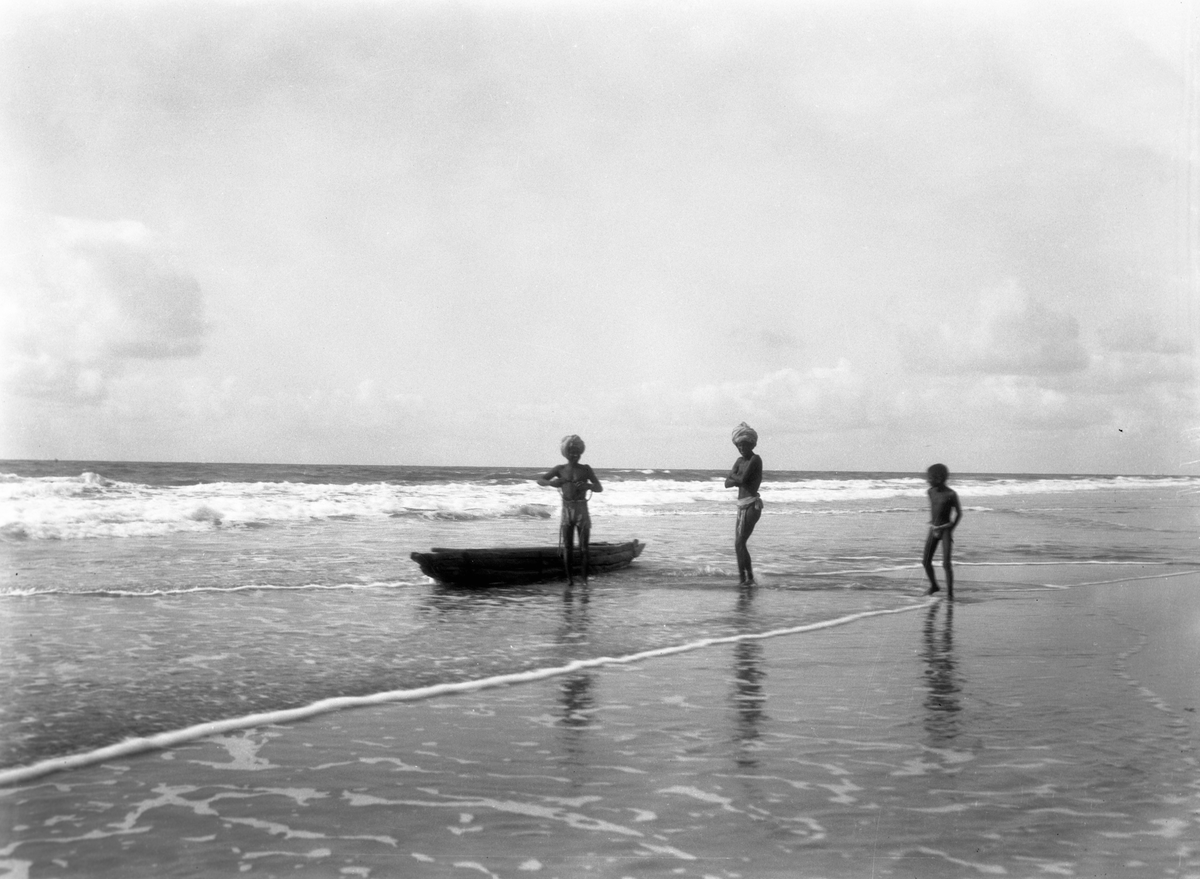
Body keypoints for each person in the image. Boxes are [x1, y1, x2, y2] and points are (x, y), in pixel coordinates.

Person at [537, 435, 603, 585]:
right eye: (572, 452)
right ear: (566, 453)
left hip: (582, 509)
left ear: (581, 453)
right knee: (567, 547)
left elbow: (599, 487)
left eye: (577, 453)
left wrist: (589, 486)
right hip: (566, 510)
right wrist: (551, 483)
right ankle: (570, 581)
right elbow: (540, 480)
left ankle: (584, 581)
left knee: (584, 548)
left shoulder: (586, 469)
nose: (575, 455)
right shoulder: (559, 469)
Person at [725, 422, 763, 585]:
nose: (741, 449)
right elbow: (726, 483)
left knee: (740, 542)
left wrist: (735, 478)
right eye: (739, 446)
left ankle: (746, 579)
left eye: (744, 445)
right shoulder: (739, 460)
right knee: (739, 544)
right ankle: (746, 579)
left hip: (752, 505)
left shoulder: (755, 459)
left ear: (751, 444)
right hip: (741, 505)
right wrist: (736, 479)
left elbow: (741, 479)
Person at [922, 463, 962, 597]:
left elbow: (959, 513)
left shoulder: (951, 494)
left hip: (945, 530)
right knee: (925, 561)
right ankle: (934, 586)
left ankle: (950, 595)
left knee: (946, 564)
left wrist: (951, 529)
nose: (928, 480)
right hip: (933, 529)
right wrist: (935, 525)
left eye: (930, 478)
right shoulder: (930, 492)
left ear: (939, 478)